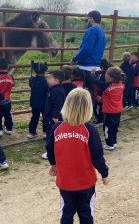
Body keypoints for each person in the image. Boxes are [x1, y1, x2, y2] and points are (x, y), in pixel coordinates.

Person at [46, 88, 109, 224]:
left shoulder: (57, 128)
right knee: (86, 213)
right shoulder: (90, 130)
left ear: (66, 105)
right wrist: (105, 173)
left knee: (66, 213)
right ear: (88, 109)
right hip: (86, 183)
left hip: (66, 182)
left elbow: (50, 149)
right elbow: (97, 156)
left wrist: (53, 164)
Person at [72, 10, 107, 94]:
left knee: (82, 93)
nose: (87, 21)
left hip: (86, 66)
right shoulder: (102, 31)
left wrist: (75, 59)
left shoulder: (91, 30)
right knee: (90, 91)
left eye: (88, 19)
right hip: (96, 65)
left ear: (91, 19)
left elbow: (86, 49)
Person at [92, 67, 125, 151]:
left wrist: (92, 74)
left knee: (107, 127)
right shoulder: (122, 83)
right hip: (118, 109)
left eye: (106, 74)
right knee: (115, 126)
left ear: (110, 77)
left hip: (109, 110)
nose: (104, 75)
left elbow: (96, 81)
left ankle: (109, 144)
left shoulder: (106, 85)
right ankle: (114, 142)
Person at [41, 70, 66, 159]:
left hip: (53, 118)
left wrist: (55, 117)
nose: (47, 79)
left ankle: (50, 152)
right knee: (51, 134)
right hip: (49, 116)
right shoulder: (52, 89)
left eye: (49, 78)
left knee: (51, 135)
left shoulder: (57, 91)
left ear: (56, 80)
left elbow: (57, 105)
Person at [28, 62, 49, 139]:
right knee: (45, 117)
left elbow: (30, 85)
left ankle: (31, 132)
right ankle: (45, 132)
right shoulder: (46, 81)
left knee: (34, 117)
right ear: (45, 71)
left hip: (34, 103)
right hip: (44, 103)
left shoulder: (32, 80)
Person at [0, 58, 14, 137]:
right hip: (7, 101)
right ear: (8, 66)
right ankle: (9, 129)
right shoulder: (10, 76)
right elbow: (13, 84)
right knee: (8, 115)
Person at [93, 59, 110, 126]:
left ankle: (100, 120)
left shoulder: (103, 76)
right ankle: (100, 119)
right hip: (102, 95)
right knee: (99, 107)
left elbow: (102, 86)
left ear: (102, 67)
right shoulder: (106, 74)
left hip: (100, 95)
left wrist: (99, 95)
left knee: (97, 107)